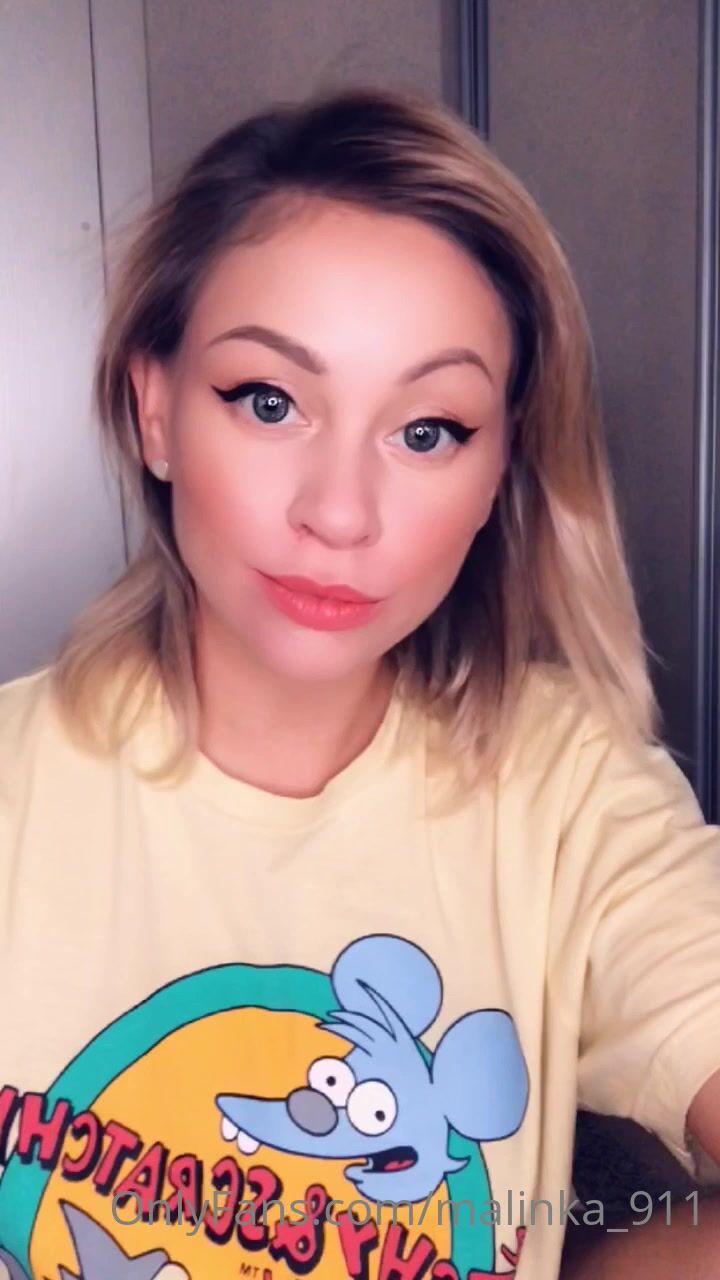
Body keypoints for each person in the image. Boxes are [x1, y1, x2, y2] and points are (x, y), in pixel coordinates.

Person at [0, 84, 719, 1280]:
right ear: (155, 409)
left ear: (500, 469)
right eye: (270, 400)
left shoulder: (571, 797)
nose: (340, 513)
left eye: (427, 429)